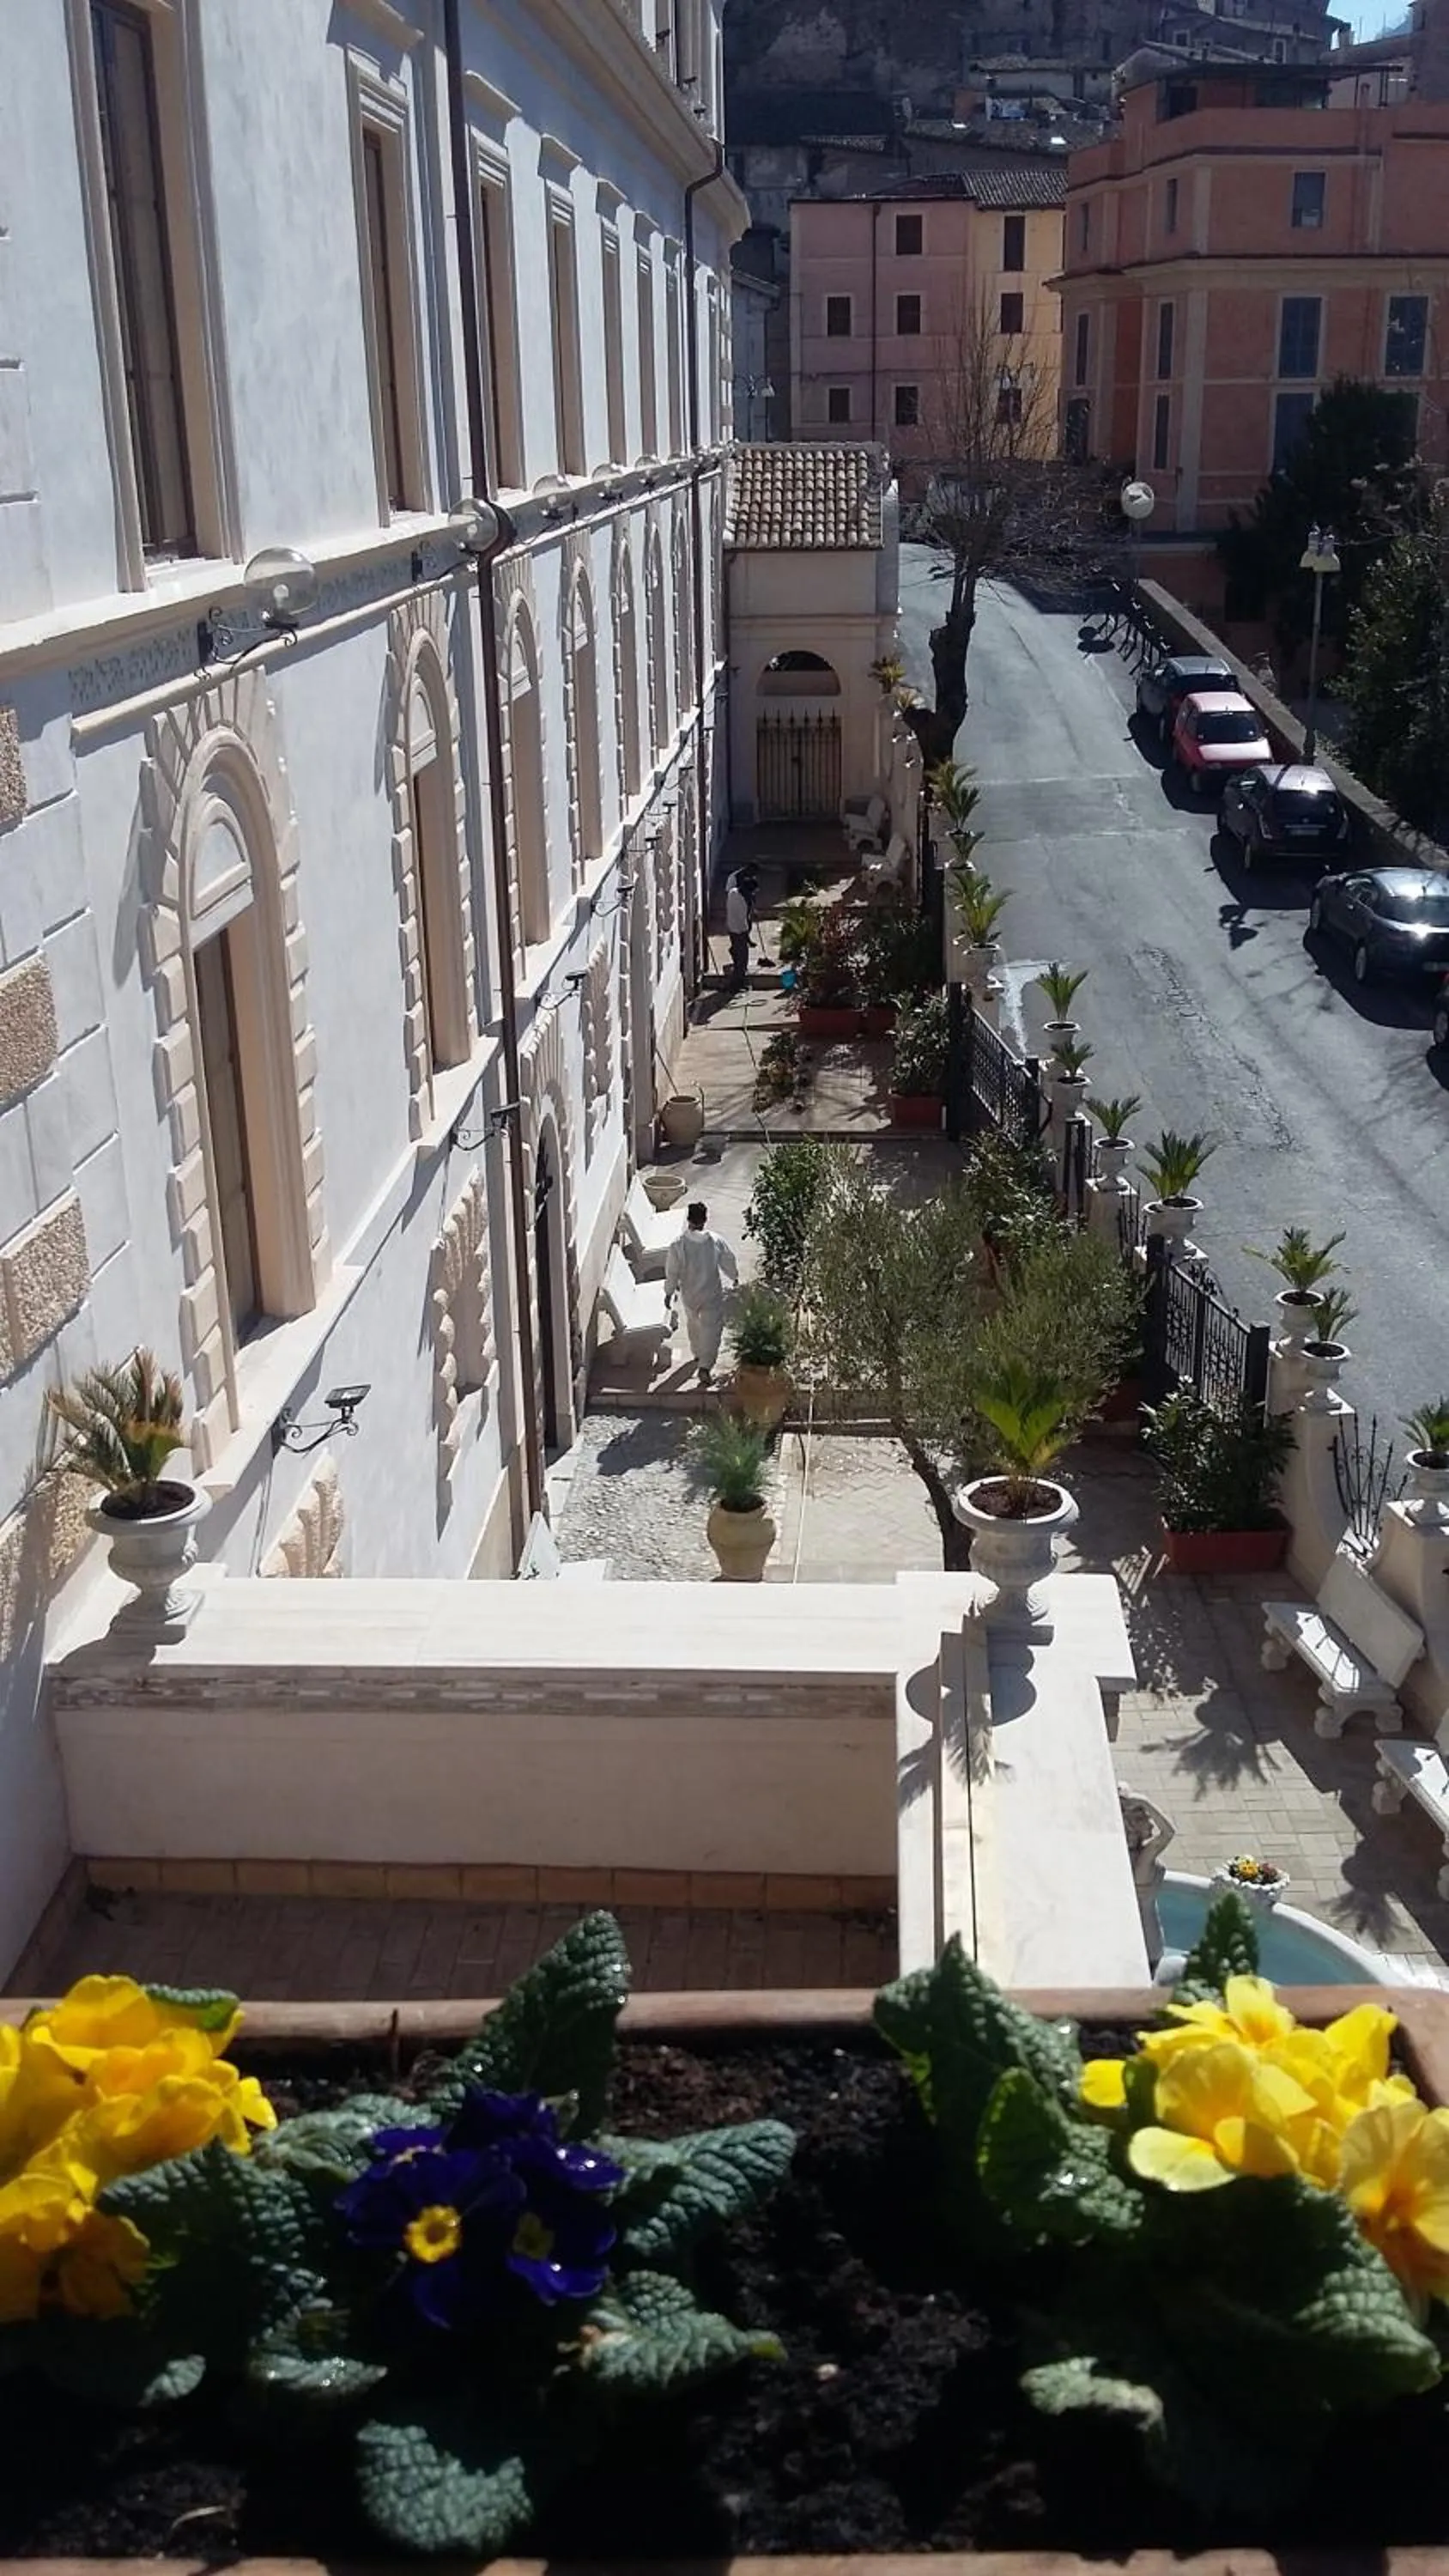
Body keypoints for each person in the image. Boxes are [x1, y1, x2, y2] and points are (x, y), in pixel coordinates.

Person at [664, 1201, 738, 1382]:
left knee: (693, 1324)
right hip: (711, 1294)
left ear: (688, 1219)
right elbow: (728, 1260)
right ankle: (705, 1365)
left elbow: (672, 1271)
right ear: (705, 1220)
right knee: (712, 1330)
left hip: (689, 1295)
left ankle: (697, 1353)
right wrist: (734, 1276)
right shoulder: (715, 1241)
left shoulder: (678, 1245)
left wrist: (669, 1292)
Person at [724, 872, 752, 993]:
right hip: (739, 932)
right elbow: (744, 923)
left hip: (731, 929)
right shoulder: (743, 903)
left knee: (736, 953)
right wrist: (748, 940)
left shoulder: (732, 893)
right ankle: (736, 984)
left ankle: (737, 981)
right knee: (742, 959)